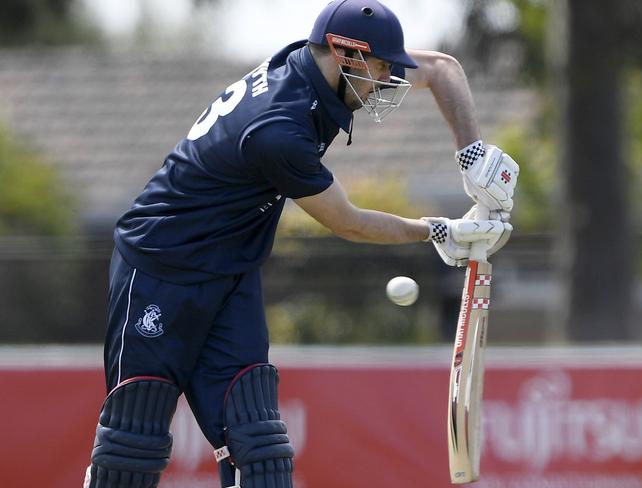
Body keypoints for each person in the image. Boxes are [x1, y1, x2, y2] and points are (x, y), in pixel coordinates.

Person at [83, 1, 519, 487]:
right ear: (346, 54)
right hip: (160, 268)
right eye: (378, 69)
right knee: (132, 445)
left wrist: (473, 156)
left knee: (261, 452)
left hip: (232, 273)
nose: (384, 83)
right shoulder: (278, 129)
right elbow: (349, 222)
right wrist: (441, 230)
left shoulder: (310, 67)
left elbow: (442, 69)